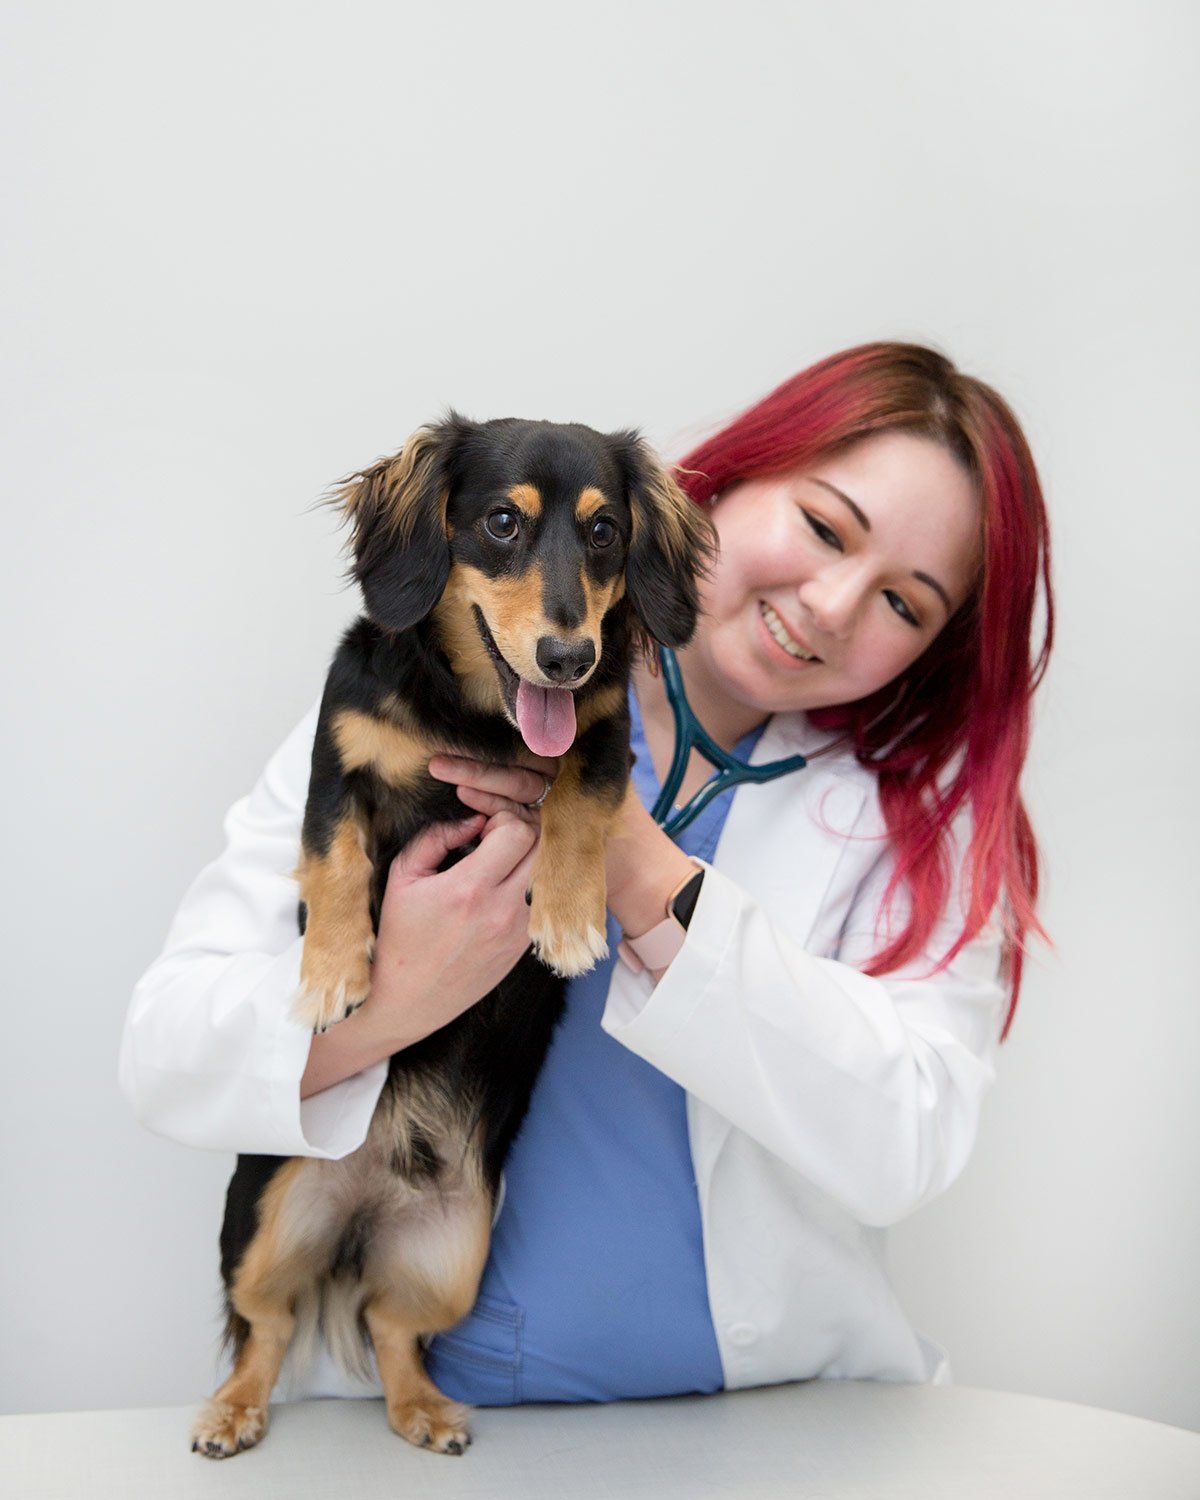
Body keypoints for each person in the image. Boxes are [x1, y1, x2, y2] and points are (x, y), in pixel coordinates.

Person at [120, 341, 1053, 1403]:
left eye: (905, 604)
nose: (834, 603)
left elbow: (908, 1146)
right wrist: (391, 999)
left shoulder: (926, 832)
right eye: (825, 527)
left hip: (757, 1433)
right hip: (397, 1426)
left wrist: (642, 875)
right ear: (726, 487)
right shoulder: (415, 713)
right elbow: (165, 1054)